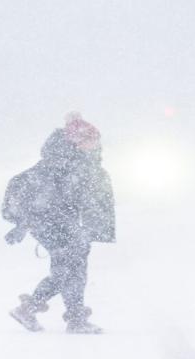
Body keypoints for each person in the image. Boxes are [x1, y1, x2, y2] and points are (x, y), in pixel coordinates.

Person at [6, 113, 117, 334]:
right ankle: (72, 319)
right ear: (77, 142)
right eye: (91, 140)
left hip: (67, 225)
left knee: (66, 271)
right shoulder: (59, 165)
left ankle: (30, 309)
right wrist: (24, 224)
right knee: (71, 271)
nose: (96, 144)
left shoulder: (75, 162)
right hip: (56, 225)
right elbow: (42, 197)